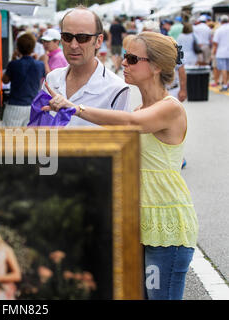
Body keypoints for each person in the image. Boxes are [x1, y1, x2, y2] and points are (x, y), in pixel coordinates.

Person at [41, 31, 198, 300]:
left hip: (166, 223)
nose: (123, 63)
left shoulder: (170, 109)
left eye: (132, 58)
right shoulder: (139, 111)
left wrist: (74, 108)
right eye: (125, 57)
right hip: (139, 222)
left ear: (157, 66)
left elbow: (129, 124)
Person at [42, 6, 130, 127]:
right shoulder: (51, 79)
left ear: (98, 41)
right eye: (67, 37)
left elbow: (123, 140)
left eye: (82, 38)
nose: (73, 45)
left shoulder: (116, 89)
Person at [2, 32, 45, 127]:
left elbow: (5, 80)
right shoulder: (40, 65)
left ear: (18, 48)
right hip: (33, 105)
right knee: (29, 138)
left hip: (15, 105)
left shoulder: (13, 64)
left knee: (10, 136)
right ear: (33, 48)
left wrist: (13, 58)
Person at [212, 15, 229, 92]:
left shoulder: (219, 30)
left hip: (221, 53)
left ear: (221, 21)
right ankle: (227, 83)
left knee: (223, 69)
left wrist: (214, 52)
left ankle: (225, 84)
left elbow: (215, 43)